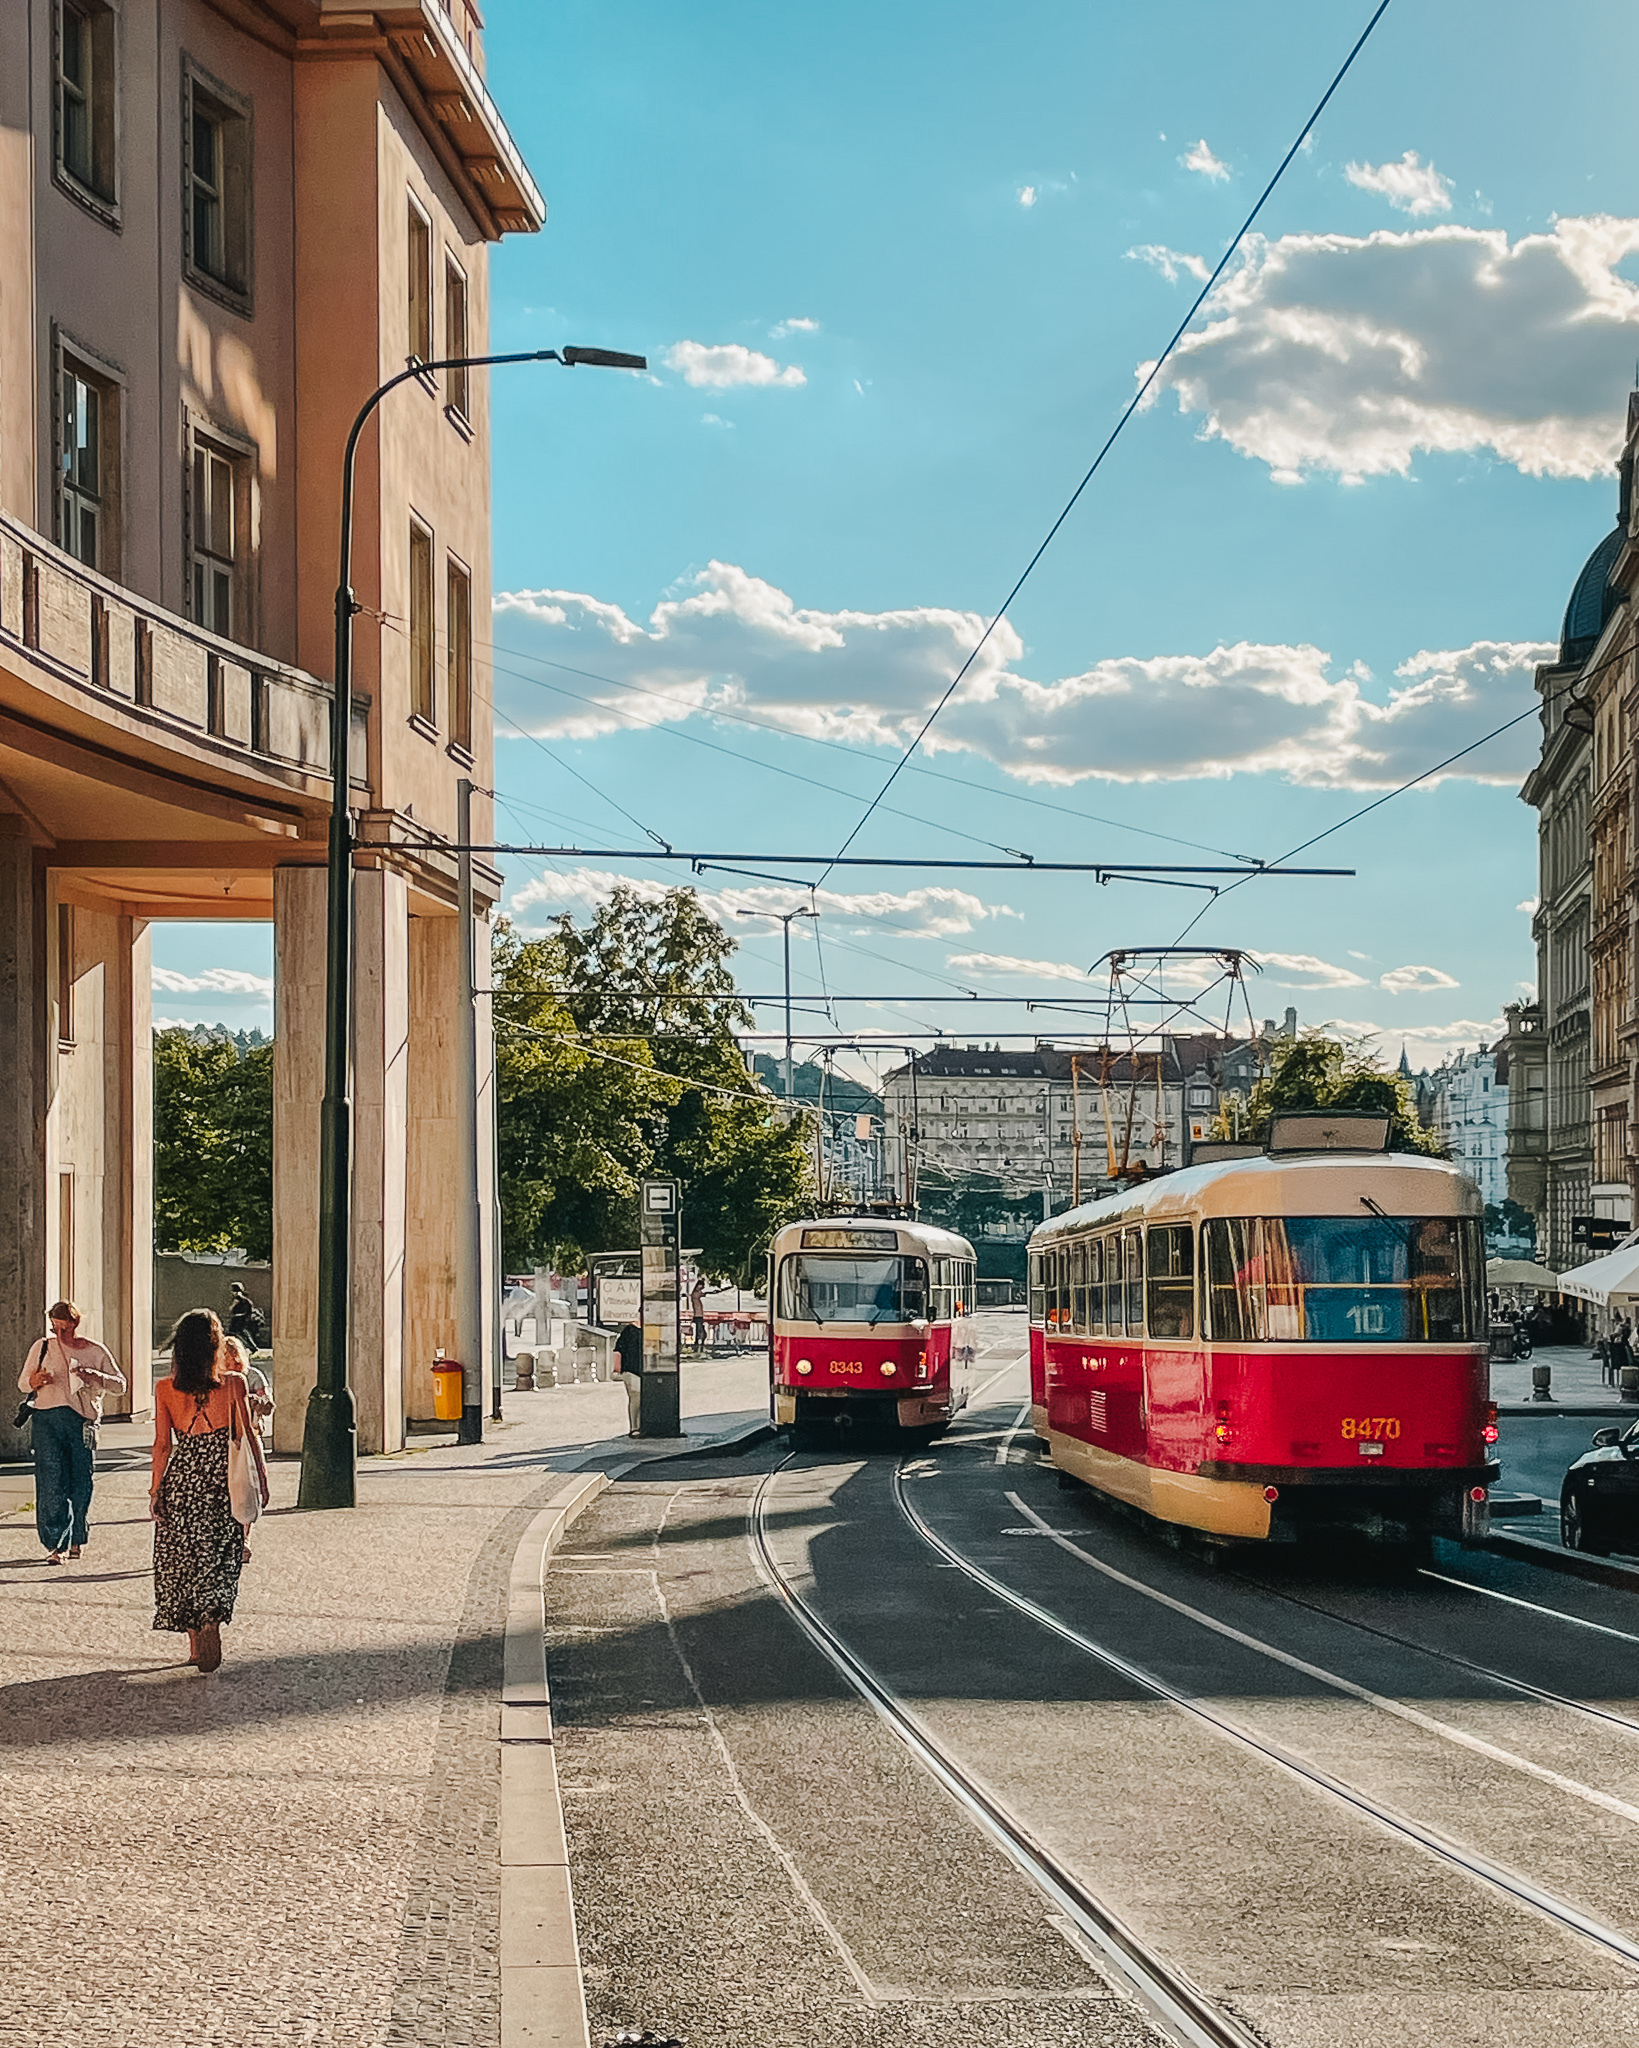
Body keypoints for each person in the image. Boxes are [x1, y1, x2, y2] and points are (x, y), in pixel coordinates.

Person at [151, 1308, 268, 1673]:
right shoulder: (234, 1383)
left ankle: (193, 1643)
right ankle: (211, 1619)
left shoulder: (165, 1389)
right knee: (218, 1554)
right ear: (215, 1346)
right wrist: (261, 1478)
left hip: (183, 1480)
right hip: (222, 1482)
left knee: (182, 1559)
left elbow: (161, 1445)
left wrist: (156, 1491)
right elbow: (247, 1435)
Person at [16, 1300, 126, 1564]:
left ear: (76, 1323)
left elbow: (120, 1385)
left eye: (64, 1329)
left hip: (81, 1421)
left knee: (80, 1483)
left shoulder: (95, 1351)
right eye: (55, 1329)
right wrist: (36, 1380)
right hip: (47, 1419)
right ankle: (57, 1544)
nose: (59, 1335)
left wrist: (95, 1376)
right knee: (51, 1481)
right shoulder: (43, 1347)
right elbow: (22, 1384)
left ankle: (77, 1537)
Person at [221, 1334, 273, 1559]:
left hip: (249, 1434)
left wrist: (259, 1402)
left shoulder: (253, 1376)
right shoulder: (216, 1378)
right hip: (225, 1437)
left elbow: (269, 1404)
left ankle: (245, 1538)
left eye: (233, 1356)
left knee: (248, 1487)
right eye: (225, 1356)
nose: (231, 1361)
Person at [613, 1320, 643, 1436]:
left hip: (646, 1371)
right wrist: (617, 1368)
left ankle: (640, 1426)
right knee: (636, 1395)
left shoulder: (651, 1330)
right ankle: (634, 1427)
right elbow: (618, 1350)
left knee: (641, 1398)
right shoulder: (629, 1330)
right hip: (630, 1369)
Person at [226, 1281, 263, 1350]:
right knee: (241, 1333)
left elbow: (232, 1310)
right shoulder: (244, 1301)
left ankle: (252, 1347)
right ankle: (252, 1347)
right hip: (238, 1320)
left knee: (240, 1333)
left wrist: (238, 1313)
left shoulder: (243, 1301)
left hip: (240, 1320)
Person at [690, 1277, 708, 1356]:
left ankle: (698, 1346)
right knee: (700, 1333)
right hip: (698, 1316)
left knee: (700, 1332)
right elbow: (701, 1294)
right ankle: (697, 1346)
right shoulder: (695, 1294)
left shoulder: (696, 1294)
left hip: (699, 1316)